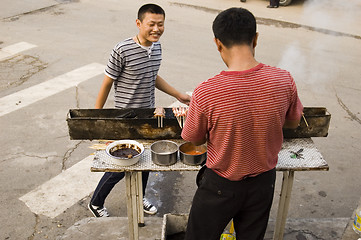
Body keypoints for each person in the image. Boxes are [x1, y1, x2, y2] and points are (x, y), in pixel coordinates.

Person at [181, 7, 303, 240]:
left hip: (220, 185)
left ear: (217, 43)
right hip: (263, 183)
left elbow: (194, 139)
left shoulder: (206, 92)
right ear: (256, 38)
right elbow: (293, 122)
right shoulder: (283, 80)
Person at [88, 3, 190, 218]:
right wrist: (96, 118)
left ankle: (140, 196)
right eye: (151, 24)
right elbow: (107, 83)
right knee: (122, 163)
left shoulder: (157, 47)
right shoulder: (122, 49)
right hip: (127, 117)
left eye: (160, 25)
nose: (156, 29)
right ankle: (96, 202)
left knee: (145, 160)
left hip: (149, 115)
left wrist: (177, 95)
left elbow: (152, 77)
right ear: (139, 23)